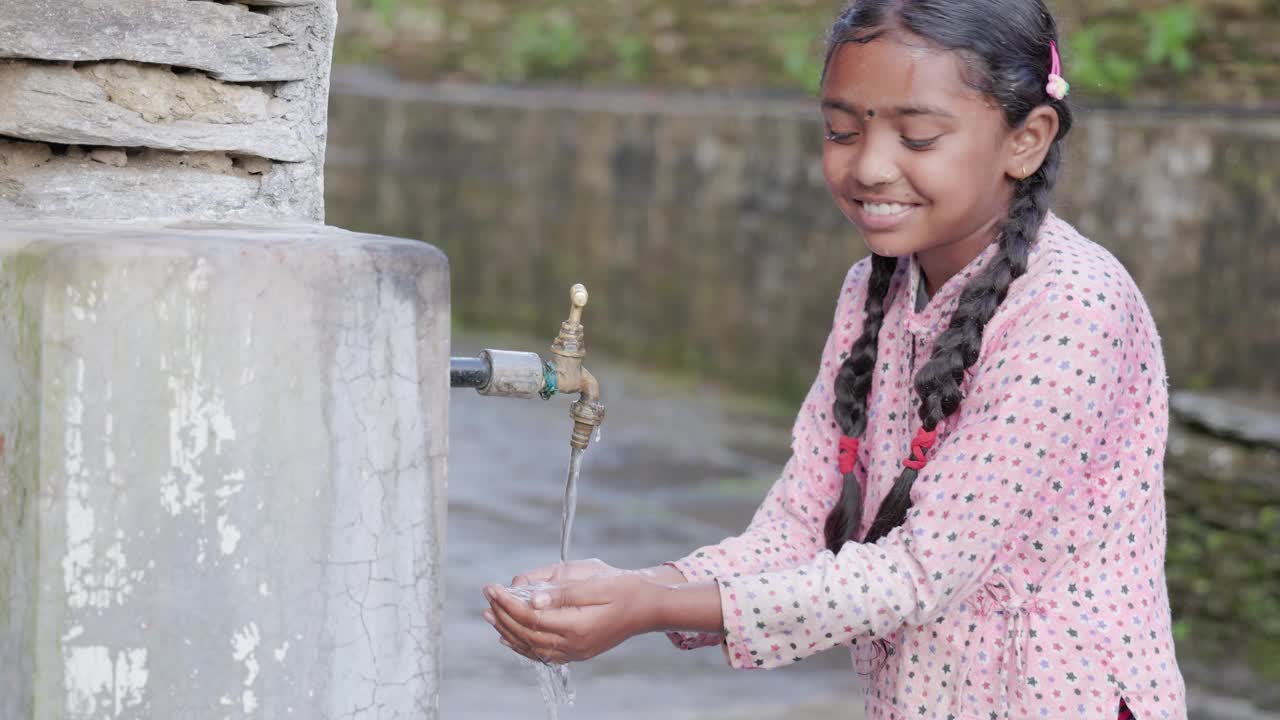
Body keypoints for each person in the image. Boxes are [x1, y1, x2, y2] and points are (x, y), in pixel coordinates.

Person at [483, 1, 1187, 718]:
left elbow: (916, 572)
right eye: (841, 131)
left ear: (1027, 139)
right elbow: (801, 523)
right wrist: (645, 585)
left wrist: (652, 607)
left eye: (917, 136)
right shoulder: (875, 288)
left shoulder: (1072, 306)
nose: (871, 167)